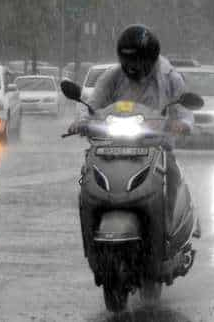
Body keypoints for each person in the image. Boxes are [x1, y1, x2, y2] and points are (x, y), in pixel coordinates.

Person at [68, 24, 198, 234]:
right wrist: (81, 121)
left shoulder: (169, 77)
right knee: (87, 177)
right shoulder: (112, 76)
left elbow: (185, 112)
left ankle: (166, 227)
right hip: (112, 146)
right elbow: (93, 103)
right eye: (128, 60)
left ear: (150, 57)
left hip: (155, 146)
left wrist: (182, 124)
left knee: (172, 175)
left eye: (137, 60)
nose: (132, 66)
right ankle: (91, 229)